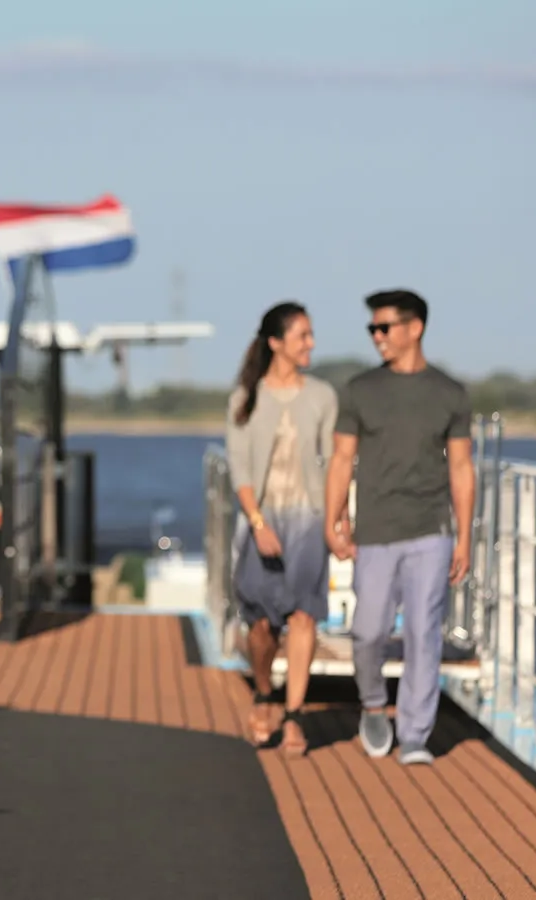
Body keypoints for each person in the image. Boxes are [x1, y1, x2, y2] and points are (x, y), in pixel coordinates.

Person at [325, 289, 475, 766]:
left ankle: (414, 734)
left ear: (415, 328)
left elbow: (462, 468)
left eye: (384, 327)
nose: (377, 337)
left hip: (431, 530)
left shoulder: (449, 393)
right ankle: (373, 705)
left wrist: (465, 536)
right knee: (367, 632)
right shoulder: (360, 389)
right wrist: (334, 519)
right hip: (375, 531)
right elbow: (342, 458)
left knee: (423, 634)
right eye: (372, 329)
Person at [225, 301, 335, 757]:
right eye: (302, 336)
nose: (310, 344)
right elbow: (240, 471)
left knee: (303, 615)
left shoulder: (323, 396)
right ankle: (264, 691)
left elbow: (333, 465)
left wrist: (338, 522)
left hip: (308, 521)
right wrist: (257, 523)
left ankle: (293, 717)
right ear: (276, 342)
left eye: (310, 335)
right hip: (263, 519)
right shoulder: (245, 398)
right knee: (262, 627)